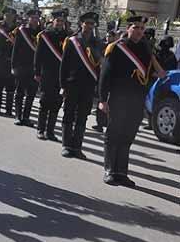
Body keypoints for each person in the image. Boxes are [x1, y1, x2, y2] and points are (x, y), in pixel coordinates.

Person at [99, 15, 165, 187]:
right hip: (118, 97)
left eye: (142, 28)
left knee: (128, 136)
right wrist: (102, 99)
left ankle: (121, 172)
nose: (139, 31)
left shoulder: (146, 50)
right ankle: (109, 170)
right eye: (135, 27)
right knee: (114, 134)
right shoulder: (116, 48)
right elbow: (105, 75)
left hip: (136, 99)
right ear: (128, 28)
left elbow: (149, 74)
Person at [60, 12, 103, 159]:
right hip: (72, 83)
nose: (89, 26)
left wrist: (98, 86)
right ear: (81, 24)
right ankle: (66, 145)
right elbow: (64, 64)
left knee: (82, 117)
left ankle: (77, 147)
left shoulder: (98, 43)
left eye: (92, 24)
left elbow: (99, 66)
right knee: (69, 114)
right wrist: (63, 84)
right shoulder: (72, 41)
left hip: (88, 85)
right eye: (87, 23)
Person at [34, 10, 68, 141]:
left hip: (61, 76)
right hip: (47, 73)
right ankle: (40, 129)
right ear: (53, 21)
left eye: (62, 21)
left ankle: (50, 131)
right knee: (45, 102)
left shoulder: (67, 37)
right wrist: (37, 72)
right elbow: (38, 56)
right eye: (57, 20)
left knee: (56, 103)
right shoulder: (45, 35)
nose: (60, 23)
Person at [12, 9, 41, 126]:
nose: (35, 20)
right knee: (20, 92)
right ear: (28, 18)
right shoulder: (22, 31)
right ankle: (18, 116)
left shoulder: (41, 32)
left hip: (35, 68)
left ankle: (26, 117)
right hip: (22, 66)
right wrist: (14, 66)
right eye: (33, 18)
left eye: (37, 18)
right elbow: (16, 49)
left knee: (31, 94)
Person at [0, 7, 17, 116]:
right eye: (7, 14)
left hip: (12, 60)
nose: (9, 17)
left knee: (11, 87)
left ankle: (8, 110)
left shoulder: (18, 28)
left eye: (11, 15)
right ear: (4, 15)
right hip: (0, 59)